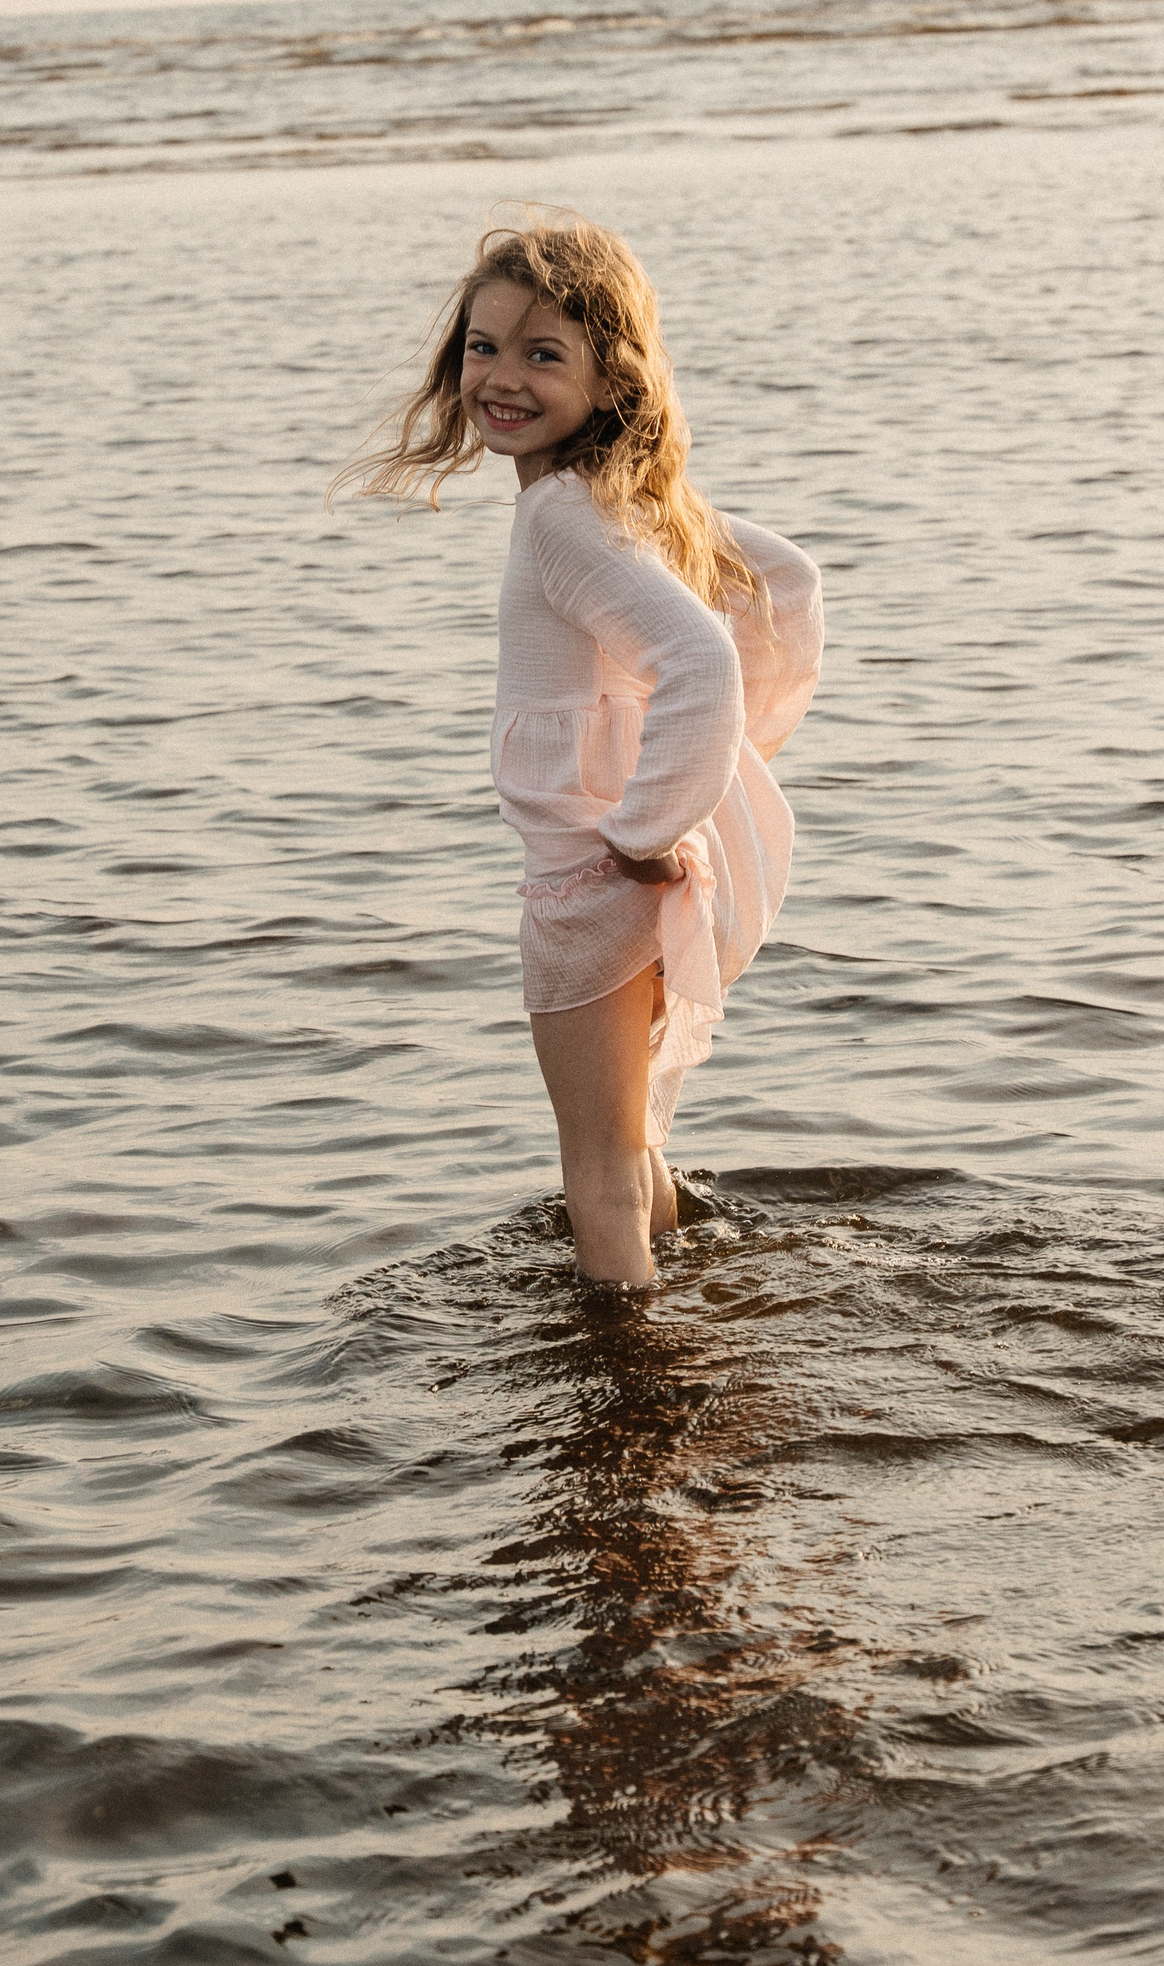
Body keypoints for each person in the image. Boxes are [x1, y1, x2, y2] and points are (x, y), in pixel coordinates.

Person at [336, 215, 824, 1288]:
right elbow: (785, 585)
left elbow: (702, 658)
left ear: (612, 382)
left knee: (597, 1173)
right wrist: (715, 772)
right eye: (484, 346)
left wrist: (652, 823)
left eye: (544, 354)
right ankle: (686, 1300)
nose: (502, 377)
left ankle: (633, 1374)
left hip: (587, 876)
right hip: (631, 869)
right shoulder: (628, 504)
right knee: (633, 1145)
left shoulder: (562, 518)